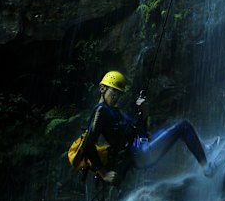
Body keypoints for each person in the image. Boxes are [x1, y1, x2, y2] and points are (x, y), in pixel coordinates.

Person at [81, 70, 216, 185]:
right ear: (102, 88)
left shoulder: (114, 111)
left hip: (142, 148)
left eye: (119, 93)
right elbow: (88, 145)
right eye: (113, 91)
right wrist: (104, 174)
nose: (116, 96)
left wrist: (143, 113)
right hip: (141, 153)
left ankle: (205, 148)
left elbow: (136, 130)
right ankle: (206, 167)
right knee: (183, 127)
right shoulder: (100, 110)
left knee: (177, 127)